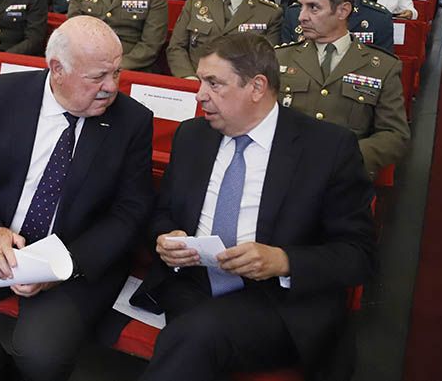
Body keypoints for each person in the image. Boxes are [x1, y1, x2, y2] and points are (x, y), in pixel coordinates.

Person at [0, 16, 155, 381]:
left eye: (116, 73)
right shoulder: (4, 94)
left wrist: (65, 263)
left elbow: (131, 211)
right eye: (97, 77)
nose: (110, 87)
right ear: (57, 69)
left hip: (74, 254)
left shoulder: (131, 121)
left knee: (40, 355)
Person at [131, 33, 376, 381]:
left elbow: (359, 254)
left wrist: (283, 260)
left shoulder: (327, 148)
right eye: (201, 81)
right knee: (195, 334)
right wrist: (166, 238)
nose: (200, 95)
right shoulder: (192, 136)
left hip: (276, 299)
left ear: (257, 87)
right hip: (191, 282)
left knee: (195, 336)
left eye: (214, 83)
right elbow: (162, 212)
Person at [276, 0, 409, 177]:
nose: (302, 16)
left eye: (313, 8)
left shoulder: (381, 67)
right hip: (285, 170)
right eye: (301, 6)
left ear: (343, 10)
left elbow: (394, 135)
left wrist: (344, 157)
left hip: (345, 177)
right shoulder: (280, 58)